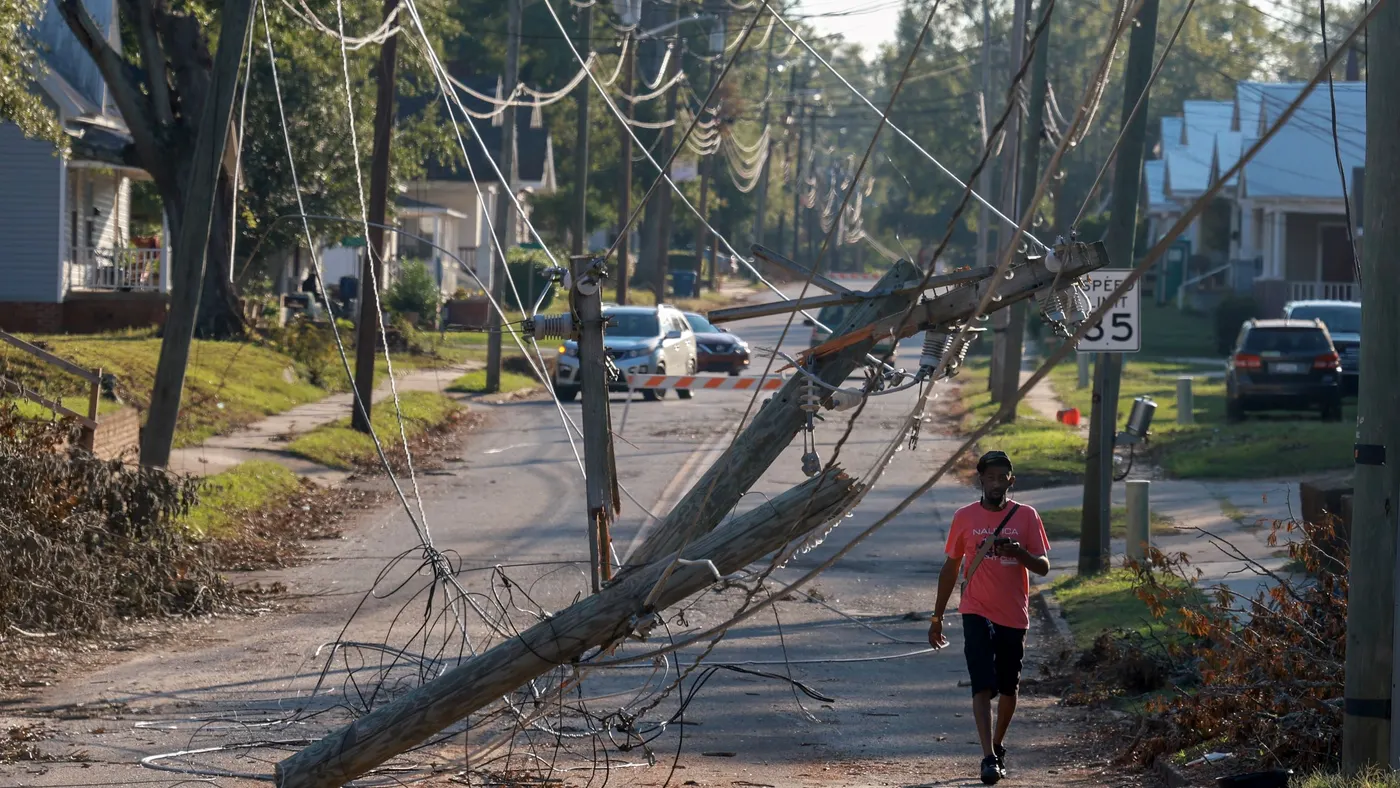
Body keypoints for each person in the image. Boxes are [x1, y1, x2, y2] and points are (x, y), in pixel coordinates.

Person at [928, 450, 1050, 785]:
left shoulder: (1027, 516)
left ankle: (998, 744)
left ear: (1012, 480)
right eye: (990, 477)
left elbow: (1043, 566)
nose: (996, 483)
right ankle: (988, 757)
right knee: (981, 683)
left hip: (1013, 612)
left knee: (1009, 686)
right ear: (980, 480)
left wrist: (1019, 553)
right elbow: (951, 567)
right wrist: (936, 616)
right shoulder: (964, 517)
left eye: (1002, 477)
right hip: (975, 609)